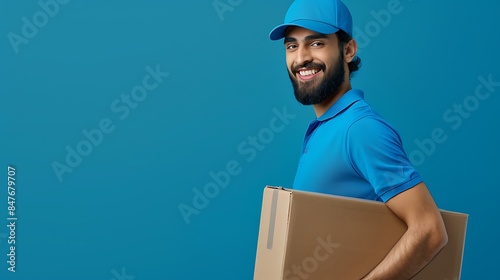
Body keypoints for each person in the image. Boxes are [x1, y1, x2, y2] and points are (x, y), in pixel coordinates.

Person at [269, 0, 448, 279]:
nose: (301, 58)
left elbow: (429, 230)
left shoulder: (361, 129)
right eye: (292, 46)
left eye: (316, 43)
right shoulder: (328, 127)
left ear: (348, 50)